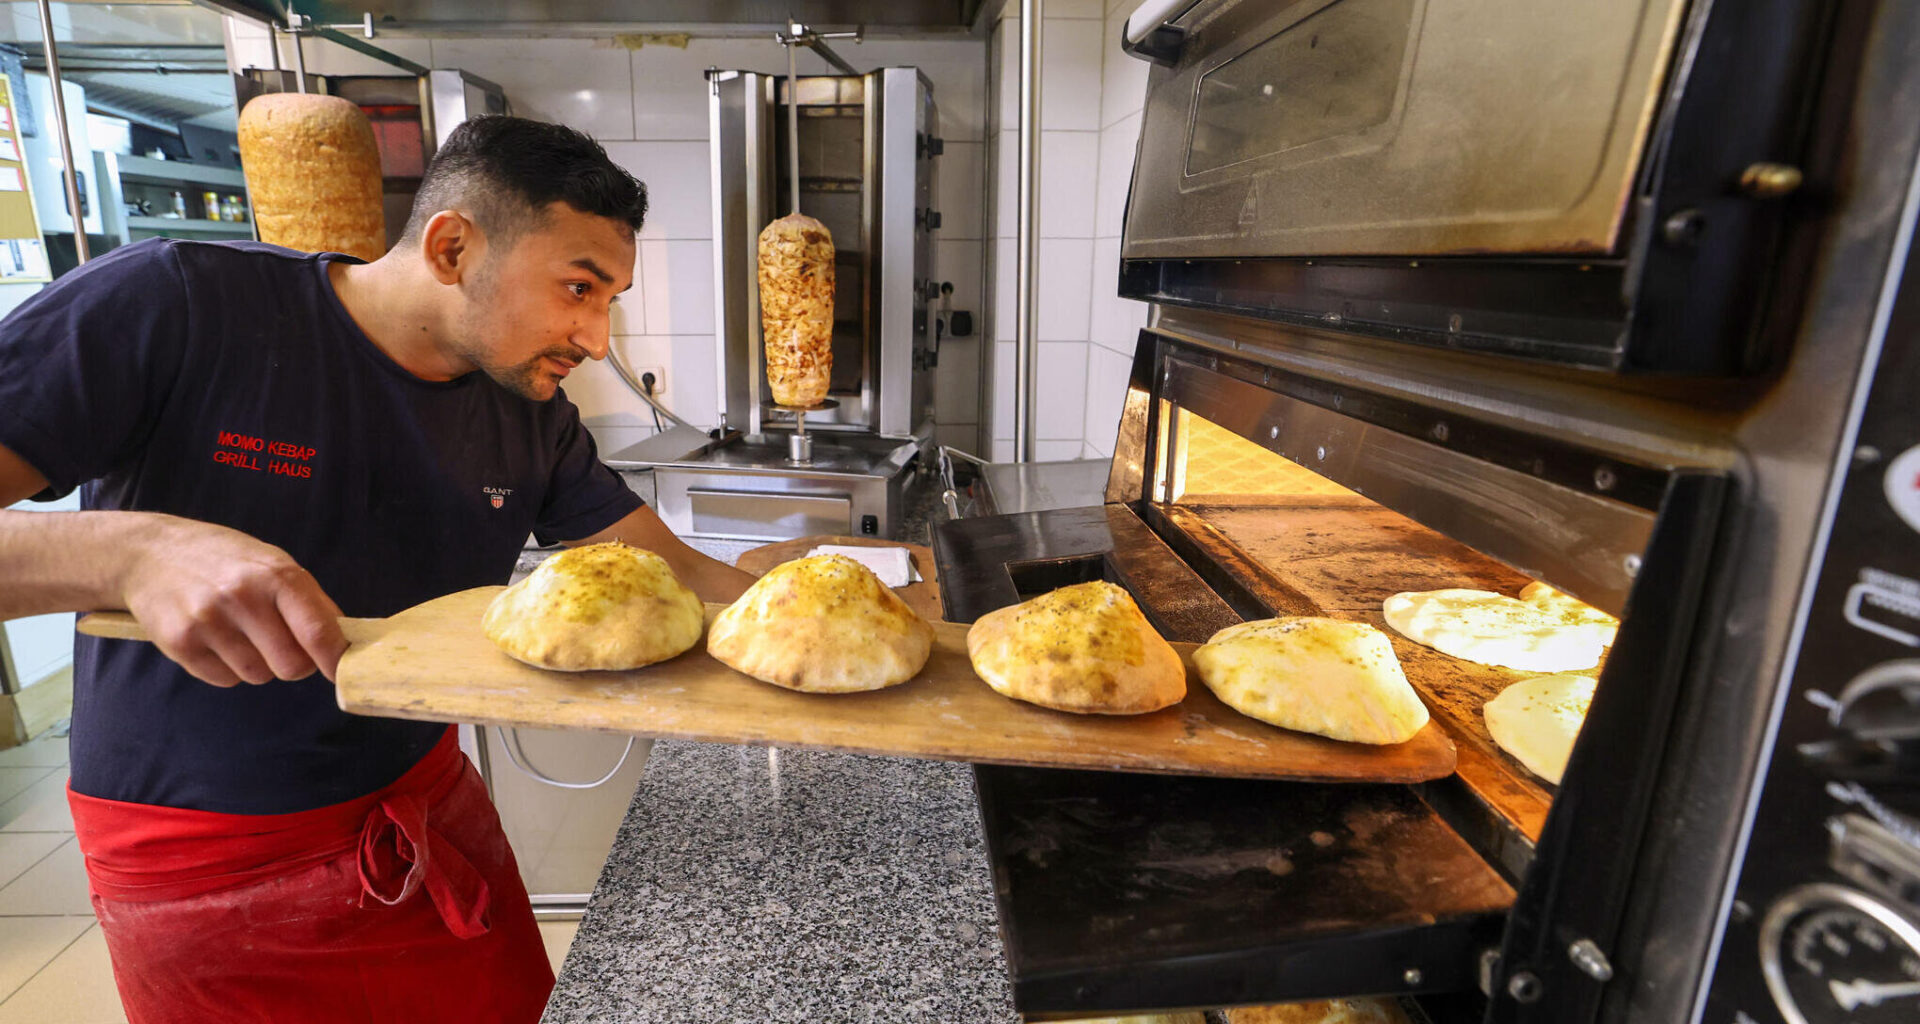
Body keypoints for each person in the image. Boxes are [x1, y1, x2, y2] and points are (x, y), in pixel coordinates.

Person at [0, 115, 755, 1023]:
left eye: (609, 301)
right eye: (577, 289)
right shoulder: (177, 304)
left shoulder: (529, 409)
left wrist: (828, 600)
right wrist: (130, 552)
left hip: (427, 805)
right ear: (451, 247)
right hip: (207, 858)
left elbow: (675, 572)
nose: (595, 338)